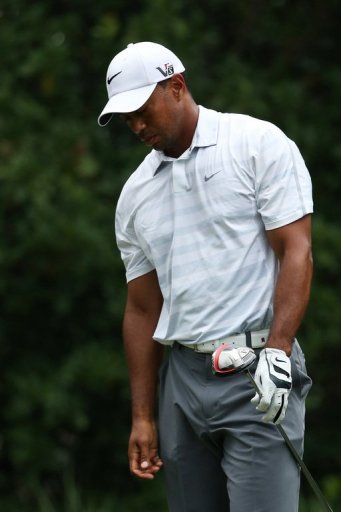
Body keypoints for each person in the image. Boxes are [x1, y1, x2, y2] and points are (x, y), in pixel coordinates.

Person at [98, 41, 313, 512]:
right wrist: (142, 416)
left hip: (258, 369)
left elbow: (296, 251)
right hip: (183, 381)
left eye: (141, 110)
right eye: (125, 118)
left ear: (176, 86)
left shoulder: (256, 144)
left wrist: (278, 349)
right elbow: (140, 308)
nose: (135, 125)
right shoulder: (134, 195)